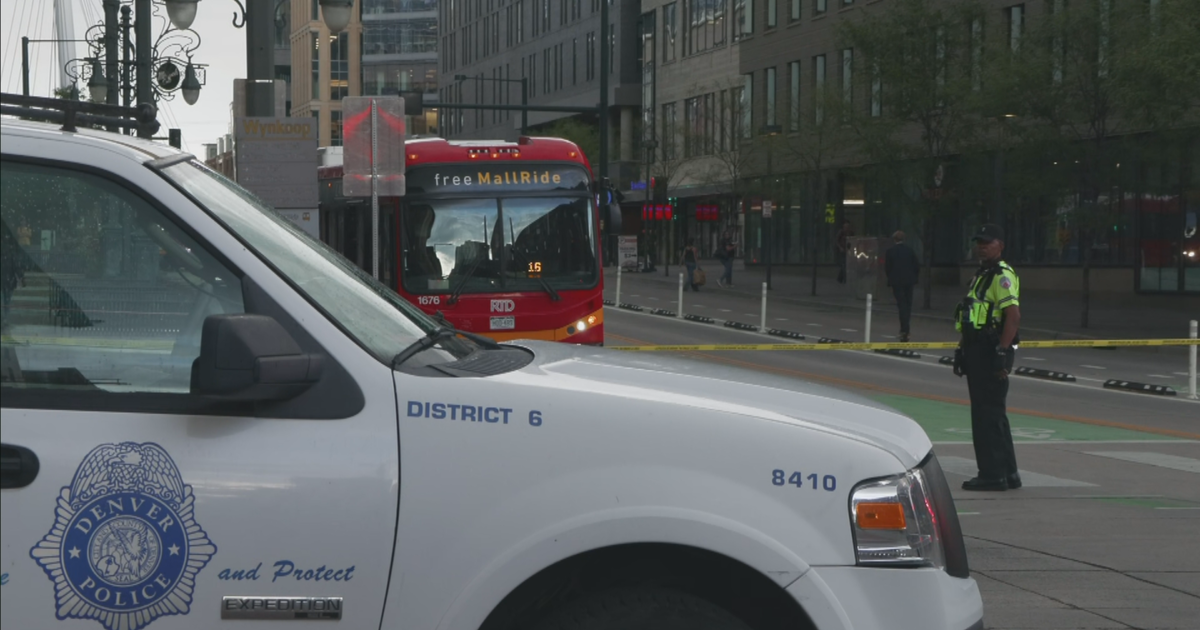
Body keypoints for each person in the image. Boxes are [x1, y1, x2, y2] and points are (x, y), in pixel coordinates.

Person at [953, 224, 1022, 492]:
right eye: (979, 242)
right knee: (993, 414)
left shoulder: (1001, 275)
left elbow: (1013, 316)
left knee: (986, 416)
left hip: (990, 349)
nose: (982, 246)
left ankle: (992, 475)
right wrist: (962, 349)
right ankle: (1008, 472)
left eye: (988, 242)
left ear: (1000, 245)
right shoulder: (982, 274)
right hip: (977, 348)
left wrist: (1002, 353)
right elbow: (972, 316)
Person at [884, 230, 920, 342]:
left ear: (894, 240)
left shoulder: (890, 251)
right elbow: (916, 265)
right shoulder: (910, 251)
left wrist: (891, 277)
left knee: (901, 305)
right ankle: (905, 330)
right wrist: (913, 277)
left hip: (897, 282)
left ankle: (904, 330)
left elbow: (887, 267)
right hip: (909, 281)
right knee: (908, 304)